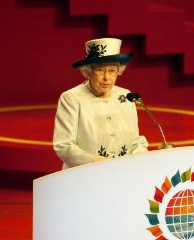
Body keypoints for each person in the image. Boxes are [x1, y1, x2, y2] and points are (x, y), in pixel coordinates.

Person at [53, 37, 149, 169]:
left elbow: (136, 142)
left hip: (123, 174)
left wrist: (141, 159)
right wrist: (96, 162)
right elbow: (64, 146)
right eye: (100, 70)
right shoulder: (71, 98)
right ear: (88, 71)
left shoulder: (125, 96)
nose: (106, 78)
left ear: (118, 71)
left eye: (112, 70)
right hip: (84, 177)